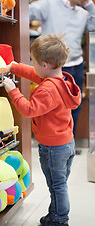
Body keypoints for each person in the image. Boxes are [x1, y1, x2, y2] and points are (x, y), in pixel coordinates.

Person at [3, 34, 81, 226]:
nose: (33, 65)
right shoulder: (59, 80)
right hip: (65, 142)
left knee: (57, 186)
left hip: (53, 148)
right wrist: (15, 67)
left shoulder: (47, 90)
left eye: (34, 62)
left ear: (45, 64)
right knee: (59, 184)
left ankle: (60, 222)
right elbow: (34, 74)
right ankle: (55, 214)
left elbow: (29, 110)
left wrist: (13, 91)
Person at [29, 0, 95, 142]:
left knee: (75, 107)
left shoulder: (83, 13)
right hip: (53, 68)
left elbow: (93, 27)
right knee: (52, 109)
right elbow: (25, 12)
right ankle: (52, 142)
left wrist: (89, 4)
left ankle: (69, 141)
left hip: (76, 66)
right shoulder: (49, 4)